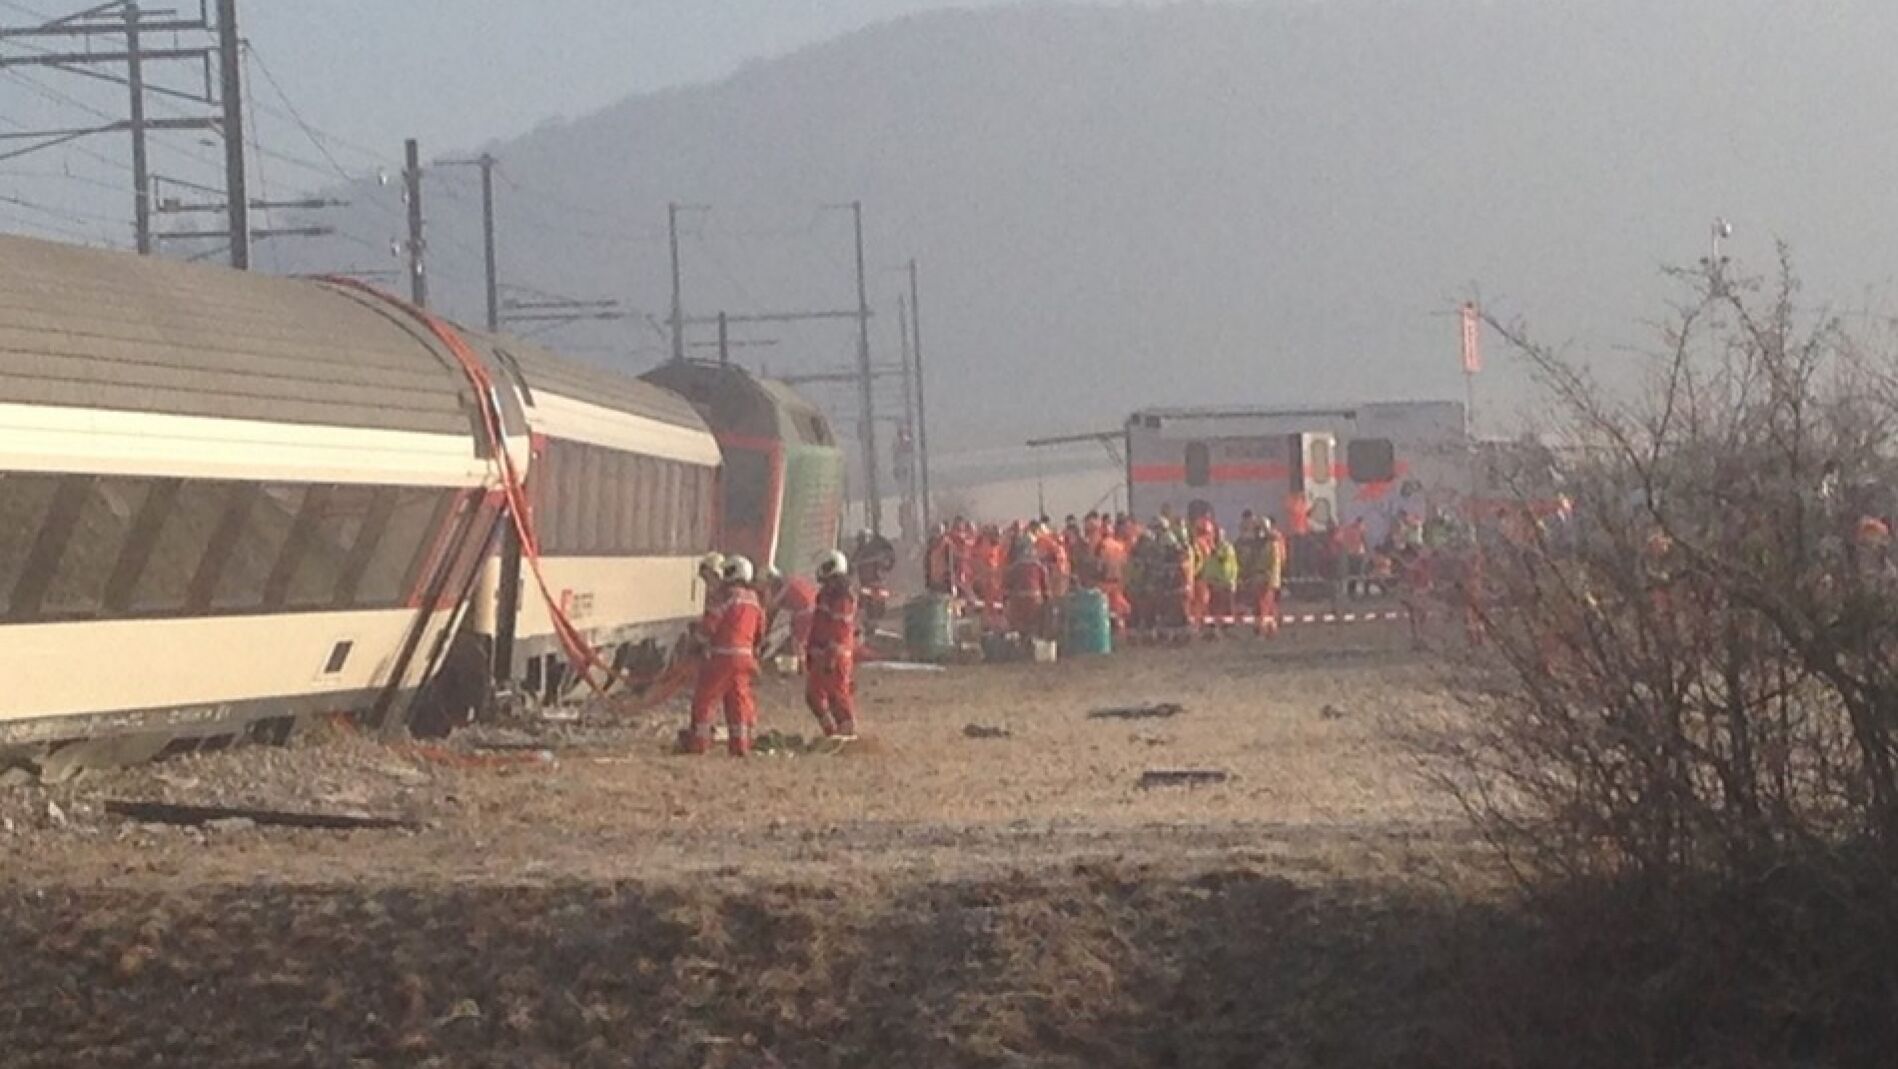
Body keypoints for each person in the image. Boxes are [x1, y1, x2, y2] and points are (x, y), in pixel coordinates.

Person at [683, 555, 766, 757]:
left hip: (722, 657)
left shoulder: (725, 597)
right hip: (745, 659)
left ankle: (699, 743)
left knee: (705, 700)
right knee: (737, 702)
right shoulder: (754, 600)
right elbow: (760, 631)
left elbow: (711, 624)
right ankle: (740, 745)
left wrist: (695, 643)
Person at [806, 549, 860, 738]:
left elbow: (840, 630)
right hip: (822, 653)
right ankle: (831, 733)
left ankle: (848, 735)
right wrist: (811, 650)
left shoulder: (843, 596)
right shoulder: (826, 595)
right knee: (814, 695)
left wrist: (831, 655)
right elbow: (818, 624)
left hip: (836, 654)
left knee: (838, 697)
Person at [764, 566, 817, 665]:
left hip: (805, 615)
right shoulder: (794, 580)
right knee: (802, 642)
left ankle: (802, 668)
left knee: (797, 644)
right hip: (814, 610)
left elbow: (771, 609)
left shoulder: (783, 590)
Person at [1004, 533, 1051, 642]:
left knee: (1020, 629)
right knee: (1034, 627)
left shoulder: (1014, 567)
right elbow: (1046, 588)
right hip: (1035, 602)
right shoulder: (1039, 566)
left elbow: (1007, 587)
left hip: (1018, 604)